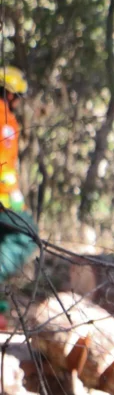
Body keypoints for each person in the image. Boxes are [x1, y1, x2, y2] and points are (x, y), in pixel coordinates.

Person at [0, 66, 39, 331]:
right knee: (27, 235)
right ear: (10, 94)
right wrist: (12, 195)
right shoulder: (3, 118)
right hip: (3, 198)